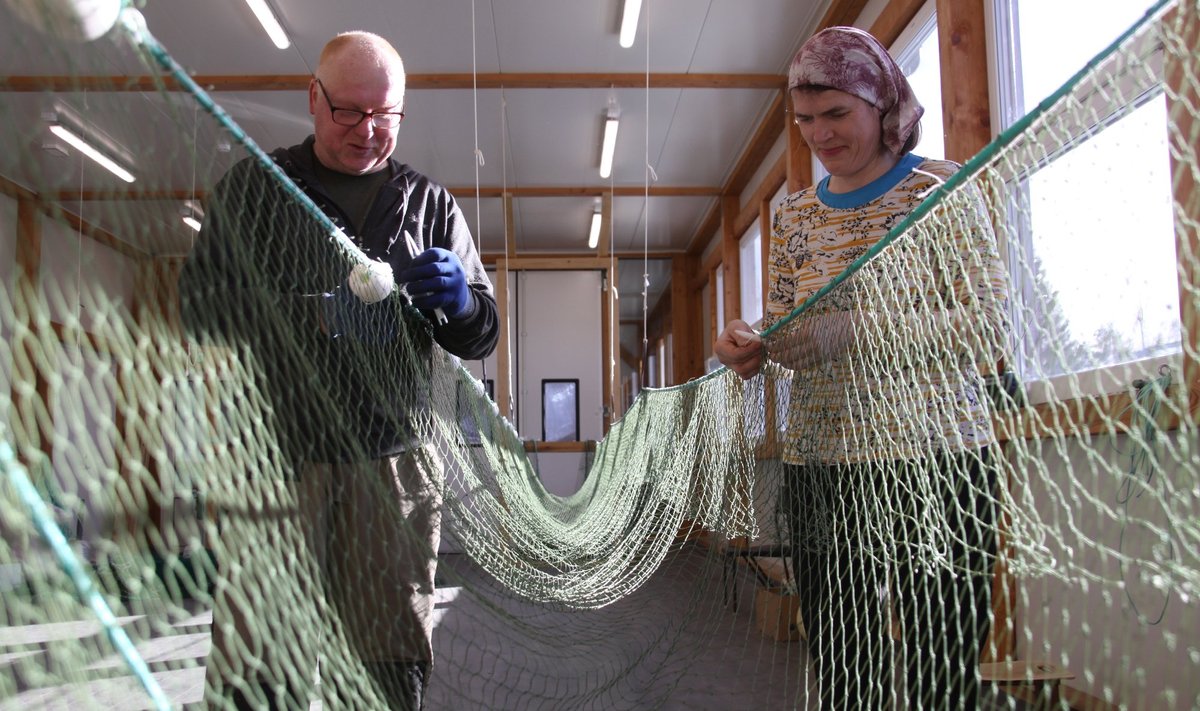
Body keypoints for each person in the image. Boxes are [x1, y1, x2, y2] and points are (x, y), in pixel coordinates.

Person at [180, 31, 499, 710]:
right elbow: (196, 308)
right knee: (260, 659)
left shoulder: (431, 207)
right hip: (274, 462)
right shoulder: (254, 192)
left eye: (385, 114)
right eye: (349, 111)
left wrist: (463, 300)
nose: (367, 130)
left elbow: (482, 335)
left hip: (395, 468)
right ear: (314, 99)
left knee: (388, 659)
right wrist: (300, 315)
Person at [714, 27, 1009, 711]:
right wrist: (751, 345)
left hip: (938, 462)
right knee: (846, 671)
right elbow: (786, 323)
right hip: (822, 467)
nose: (820, 134)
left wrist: (856, 332)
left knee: (944, 671)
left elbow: (988, 328)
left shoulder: (942, 191)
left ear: (883, 103)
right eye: (806, 120)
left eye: (837, 114)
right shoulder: (795, 219)